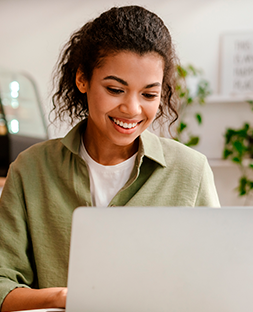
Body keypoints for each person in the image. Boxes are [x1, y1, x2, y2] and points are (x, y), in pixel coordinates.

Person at [0, 5, 220, 311]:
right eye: (115, 89)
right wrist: (62, 297)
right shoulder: (31, 169)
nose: (132, 109)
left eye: (148, 94)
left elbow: (216, 285)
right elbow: (2, 285)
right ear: (82, 79)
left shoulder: (190, 172)